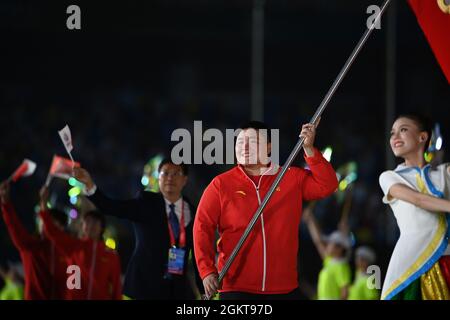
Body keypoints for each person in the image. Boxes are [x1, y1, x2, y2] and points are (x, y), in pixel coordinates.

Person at [194, 120, 338, 299]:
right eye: (240, 142)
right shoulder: (221, 184)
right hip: (236, 288)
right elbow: (202, 226)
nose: (244, 147)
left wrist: (309, 149)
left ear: (269, 147)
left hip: (284, 289)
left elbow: (328, 185)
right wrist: (207, 271)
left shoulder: (291, 177)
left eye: (252, 142)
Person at [73, 159, 203, 300]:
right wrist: (89, 185)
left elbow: (198, 254)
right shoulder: (146, 203)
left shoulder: (193, 211)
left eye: (176, 173)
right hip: (143, 288)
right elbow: (111, 207)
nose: (170, 177)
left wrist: (202, 288)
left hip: (177, 291)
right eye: (165, 173)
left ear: (185, 180)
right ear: (159, 178)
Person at [379, 113, 450, 300]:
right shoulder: (389, 177)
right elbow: (419, 200)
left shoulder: (444, 172)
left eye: (403, 130)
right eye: (392, 133)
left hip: (447, 263)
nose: (395, 137)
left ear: (422, 137)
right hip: (413, 266)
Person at [39, 186, 122, 300]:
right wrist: (43, 202)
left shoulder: (110, 255)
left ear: (102, 227)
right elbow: (52, 231)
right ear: (82, 227)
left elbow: (116, 288)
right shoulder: (73, 246)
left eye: (95, 222)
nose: (91, 225)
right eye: (87, 222)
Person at [0, 181, 69, 300]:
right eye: (48, 222)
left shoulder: (70, 252)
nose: (50, 227)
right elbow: (14, 227)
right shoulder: (31, 246)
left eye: (57, 225)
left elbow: (77, 286)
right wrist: (5, 203)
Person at [302, 202, 352, 300]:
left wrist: (345, 231)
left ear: (339, 249)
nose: (327, 245)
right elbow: (318, 241)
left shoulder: (342, 266)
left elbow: (345, 293)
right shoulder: (330, 261)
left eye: (331, 243)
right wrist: (310, 220)